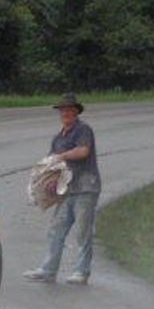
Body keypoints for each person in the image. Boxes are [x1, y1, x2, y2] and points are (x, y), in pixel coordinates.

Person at [23, 92, 101, 285]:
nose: (65, 113)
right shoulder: (58, 137)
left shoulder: (83, 130)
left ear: (76, 112)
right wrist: (48, 180)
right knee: (56, 230)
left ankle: (81, 272)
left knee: (83, 231)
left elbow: (83, 151)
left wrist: (62, 156)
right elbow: (51, 163)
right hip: (66, 191)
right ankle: (48, 270)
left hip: (85, 188)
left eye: (69, 110)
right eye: (62, 110)